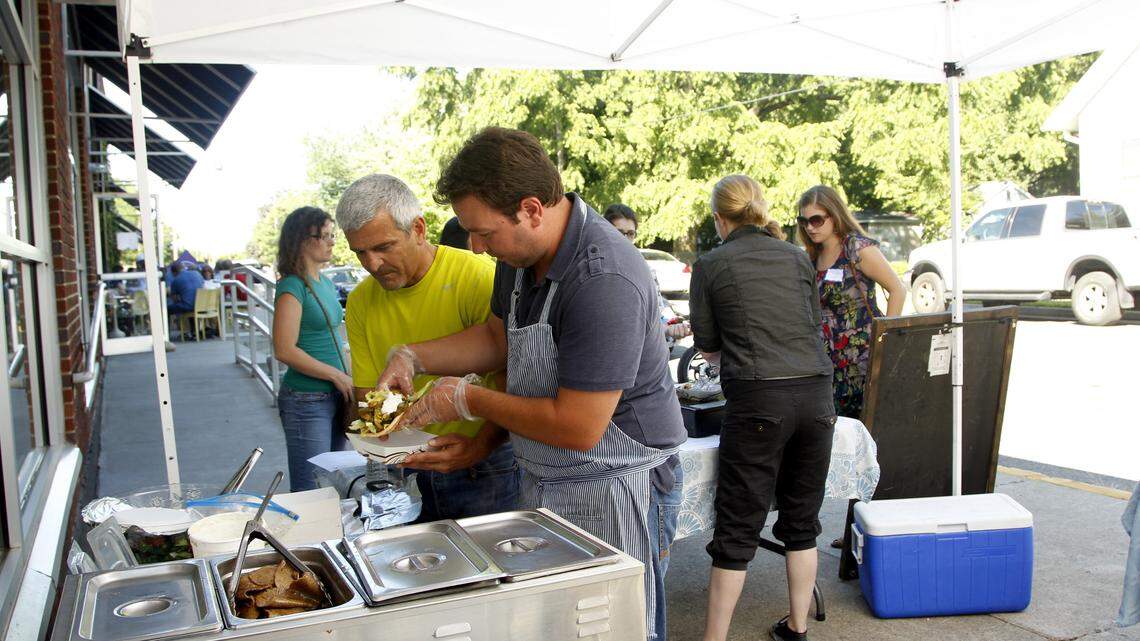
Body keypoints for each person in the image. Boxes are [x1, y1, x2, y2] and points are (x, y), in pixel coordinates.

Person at [377, 127, 687, 641]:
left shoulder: (603, 277)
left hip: (619, 485)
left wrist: (466, 398)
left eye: (483, 232)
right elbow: (501, 340)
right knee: (559, 627)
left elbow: (579, 425)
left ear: (532, 209)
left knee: (620, 629)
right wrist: (413, 355)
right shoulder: (518, 258)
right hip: (547, 480)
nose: (475, 247)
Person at [692, 175, 835, 641]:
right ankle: (796, 627)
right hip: (816, 394)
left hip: (758, 398)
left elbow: (708, 346)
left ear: (720, 218)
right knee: (801, 521)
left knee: (738, 525)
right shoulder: (797, 256)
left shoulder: (712, 264)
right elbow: (811, 326)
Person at [335, 173, 519, 521]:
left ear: (418, 229)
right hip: (406, 472)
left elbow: (514, 381)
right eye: (360, 252)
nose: (372, 264)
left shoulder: (478, 278)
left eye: (383, 247)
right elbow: (367, 399)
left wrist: (477, 449)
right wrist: (376, 431)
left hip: (484, 468)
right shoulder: (359, 301)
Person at [797, 185, 906, 420]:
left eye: (816, 220)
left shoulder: (856, 248)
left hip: (861, 359)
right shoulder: (810, 257)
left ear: (834, 216)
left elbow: (897, 289)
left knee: (865, 429)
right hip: (825, 363)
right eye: (804, 221)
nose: (810, 227)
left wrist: (885, 341)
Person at [270, 206, 354, 492]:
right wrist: (336, 375)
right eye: (325, 236)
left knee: (334, 484)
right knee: (311, 489)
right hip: (306, 401)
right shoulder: (293, 286)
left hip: (336, 395)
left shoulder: (327, 283)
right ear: (303, 240)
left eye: (333, 235)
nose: (332, 242)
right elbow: (284, 349)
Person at [603, 203, 692, 344]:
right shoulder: (595, 268)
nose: (625, 239)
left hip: (644, 353)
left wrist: (670, 327)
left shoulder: (644, 269)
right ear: (606, 231)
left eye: (630, 234)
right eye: (619, 232)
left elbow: (657, 311)